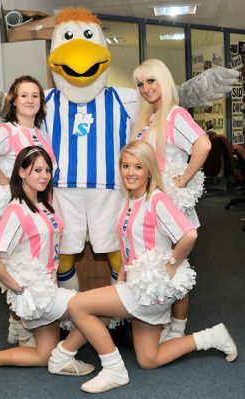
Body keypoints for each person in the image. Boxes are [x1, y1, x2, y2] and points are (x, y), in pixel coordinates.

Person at [48, 140, 237, 394]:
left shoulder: (157, 200)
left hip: (152, 286)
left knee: (79, 305)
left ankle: (112, 368)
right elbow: (130, 241)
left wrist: (170, 265)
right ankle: (212, 337)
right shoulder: (130, 200)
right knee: (149, 359)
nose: (131, 172)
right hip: (140, 286)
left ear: (149, 170)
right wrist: (125, 268)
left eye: (138, 166)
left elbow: (188, 235)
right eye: (125, 166)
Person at [0, 146, 92, 378]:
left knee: (43, 355)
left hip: (47, 289)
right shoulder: (17, 210)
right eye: (37, 170)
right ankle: (64, 358)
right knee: (95, 309)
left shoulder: (43, 205)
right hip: (35, 294)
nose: (44, 176)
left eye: (47, 170)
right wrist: (18, 287)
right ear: (22, 173)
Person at [131, 59, 212, 341]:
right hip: (151, 208)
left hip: (171, 207)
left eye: (151, 81)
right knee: (159, 265)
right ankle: (163, 321)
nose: (145, 88)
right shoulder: (147, 118)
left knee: (176, 267)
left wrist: (182, 180)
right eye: (140, 84)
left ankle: (178, 328)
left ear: (164, 81)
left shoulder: (174, 115)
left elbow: (203, 144)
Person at [0, 75, 55, 347]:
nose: (30, 100)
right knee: (18, 267)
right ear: (14, 100)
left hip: (37, 208)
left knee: (30, 265)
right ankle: (22, 329)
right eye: (24, 95)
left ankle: (16, 324)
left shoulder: (41, 134)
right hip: (16, 210)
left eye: (35, 95)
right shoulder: (7, 130)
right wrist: (4, 181)